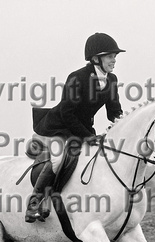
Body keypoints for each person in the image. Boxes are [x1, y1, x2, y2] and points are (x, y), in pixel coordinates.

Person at [25, 33, 125, 222]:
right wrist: (87, 136)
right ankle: (34, 203)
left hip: (81, 129)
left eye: (115, 57)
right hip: (57, 128)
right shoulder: (77, 78)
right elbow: (67, 113)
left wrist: (125, 124)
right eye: (110, 56)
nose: (114, 60)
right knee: (58, 159)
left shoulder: (111, 80)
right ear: (96, 58)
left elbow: (114, 112)